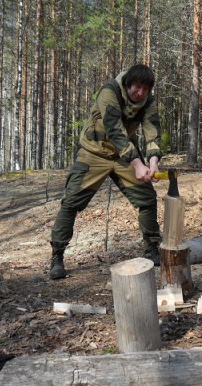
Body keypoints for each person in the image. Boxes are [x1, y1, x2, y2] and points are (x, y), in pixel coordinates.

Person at [48, 64, 163, 280]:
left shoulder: (148, 102)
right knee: (71, 201)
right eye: (136, 88)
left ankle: (152, 247)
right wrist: (138, 164)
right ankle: (57, 255)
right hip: (94, 152)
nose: (140, 93)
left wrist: (154, 161)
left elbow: (152, 130)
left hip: (123, 156)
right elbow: (115, 130)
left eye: (145, 89)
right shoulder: (109, 92)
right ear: (128, 84)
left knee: (147, 198)